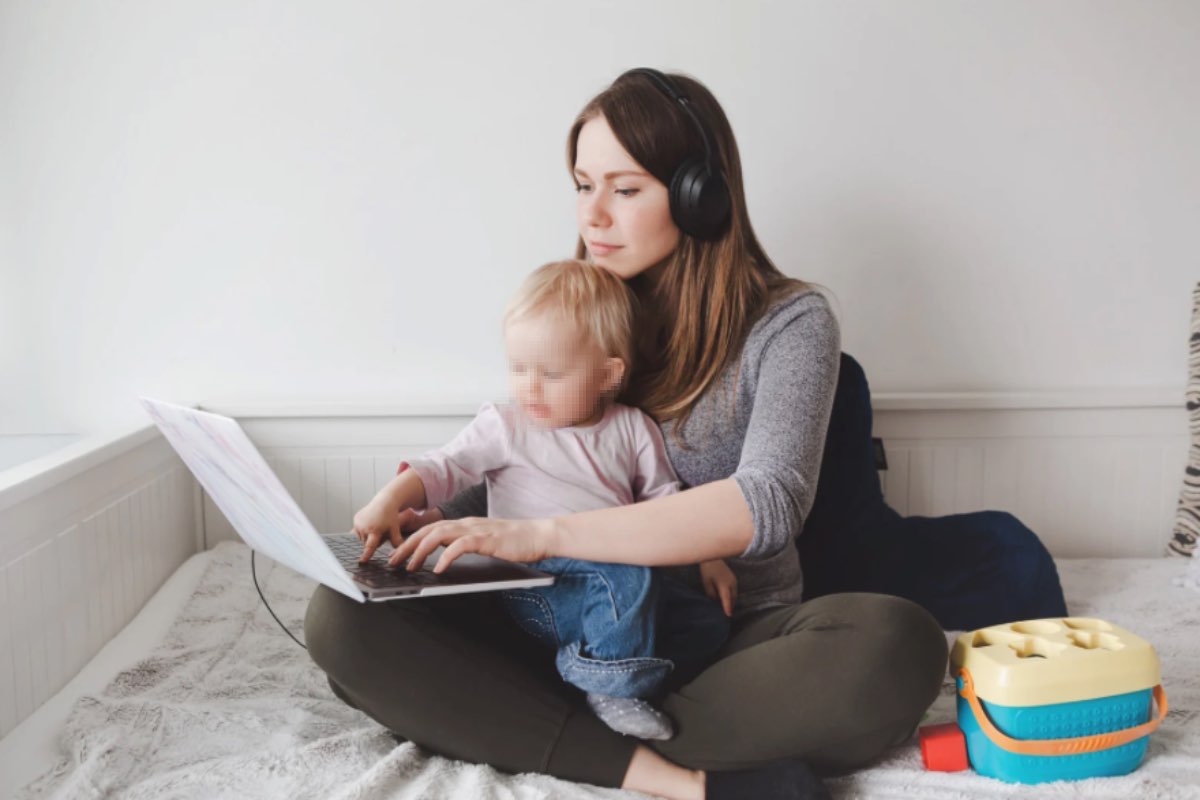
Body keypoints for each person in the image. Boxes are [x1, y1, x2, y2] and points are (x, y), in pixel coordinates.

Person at [304, 67, 948, 800]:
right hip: (551, 620)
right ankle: (672, 774)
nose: (593, 216)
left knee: (898, 644)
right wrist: (436, 524)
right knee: (343, 620)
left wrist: (544, 536)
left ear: (700, 196)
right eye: (583, 185)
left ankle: (509, 720)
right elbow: (511, 457)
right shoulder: (573, 310)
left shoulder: (792, 323)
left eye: (626, 188)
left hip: (714, 642)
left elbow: (767, 505)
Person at [350, 258, 734, 741]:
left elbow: (666, 505)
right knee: (627, 571)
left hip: (611, 586)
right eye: (519, 368)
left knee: (707, 623)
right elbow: (444, 466)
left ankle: (580, 667)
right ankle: (612, 688)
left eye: (551, 374)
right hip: (535, 585)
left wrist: (710, 556)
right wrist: (389, 498)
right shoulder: (507, 425)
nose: (529, 387)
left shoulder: (633, 428)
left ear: (607, 374)